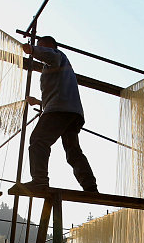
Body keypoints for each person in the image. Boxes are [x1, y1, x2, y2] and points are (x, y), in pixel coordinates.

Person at [20, 36, 98, 193]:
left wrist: (33, 50)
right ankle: (90, 186)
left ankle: (40, 180)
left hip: (59, 110)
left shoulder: (57, 56)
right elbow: (58, 93)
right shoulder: (58, 68)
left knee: (38, 140)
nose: (40, 50)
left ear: (50, 46)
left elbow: (50, 54)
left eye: (42, 46)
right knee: (73, 151)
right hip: (71, 112)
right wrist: (38, 102)